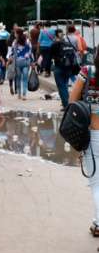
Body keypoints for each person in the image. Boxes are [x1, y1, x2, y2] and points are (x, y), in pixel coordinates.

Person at [71, 53, 99, 236]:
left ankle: (98, 224)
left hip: (93, 132)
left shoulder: (87, 71)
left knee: (96, 183)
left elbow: (72, 100)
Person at [50, 28, 79, 109]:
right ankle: (66, 103)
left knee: (61, 87)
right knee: (65, 86)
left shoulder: (54, 44)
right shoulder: (68, 44)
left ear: (55, 36)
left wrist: (46, 69)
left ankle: (66, 105)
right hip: (69, 68)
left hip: (59, 68)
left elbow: (50, 56)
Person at [7, 28, 34, 101]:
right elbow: (31, 52)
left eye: (15, 33)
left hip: (18, 62)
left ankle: (19, 94)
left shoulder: (15, 42)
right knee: (25, 79)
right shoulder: (28, 41)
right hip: (26, 61)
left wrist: (9, 59)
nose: (15, 34)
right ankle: (24, 94)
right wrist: (32, 62)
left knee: (18, 78)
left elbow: (12, 53)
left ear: (18, 34)